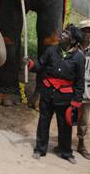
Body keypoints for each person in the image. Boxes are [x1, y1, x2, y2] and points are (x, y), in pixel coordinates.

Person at [27, 25, 85, 164]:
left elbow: (79, 82)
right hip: (47, 94)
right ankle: (40, 149)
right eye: (63, 31)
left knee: (65, 125)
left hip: (65, 98)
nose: (62, 34)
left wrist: (76, 102)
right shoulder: (51, 50)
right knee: (43, 122)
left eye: (66, 33)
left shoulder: (78, 58)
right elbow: (40, 66)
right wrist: (30, 64)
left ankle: (66, 152)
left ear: (72, 40)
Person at [77, 20, 90, 160]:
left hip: (87, 91)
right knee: (65, 116)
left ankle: (81, 144)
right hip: (70, 89)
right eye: (85, 30)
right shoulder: (71, 48)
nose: (87, 34)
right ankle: (63, 143)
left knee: (84, 119)